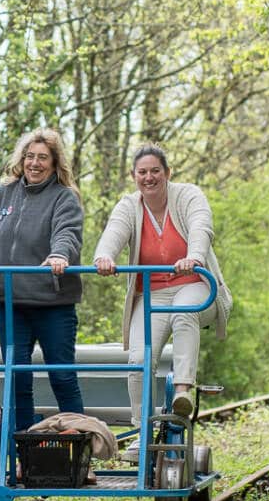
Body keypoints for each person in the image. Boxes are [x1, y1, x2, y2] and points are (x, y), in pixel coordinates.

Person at [93, 144, 232, 461]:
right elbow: (114, 232)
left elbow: (202, 226)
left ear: (167, 173)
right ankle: (142, 432)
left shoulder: (188, 196)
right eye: (142, 172)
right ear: (134, 176)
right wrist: (104, 256)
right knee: (139, 361)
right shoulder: (130, 206)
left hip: (195, 285)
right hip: (151, 294)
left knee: (184, 314)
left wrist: (194, 257)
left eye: (155, 170)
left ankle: (182, 392)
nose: (149, 177)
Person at [0, 128, 86, 432]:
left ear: (54, 163)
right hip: (11, 303)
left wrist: (59, 256)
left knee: (62, 377)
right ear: (21, 159)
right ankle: (23, 457)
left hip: (53, 303)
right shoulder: (3, 194)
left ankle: (79, 454)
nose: (34, 163)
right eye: (30, 156)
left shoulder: (64, 197)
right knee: (18, 378)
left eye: (42, 158)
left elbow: (68, 233)